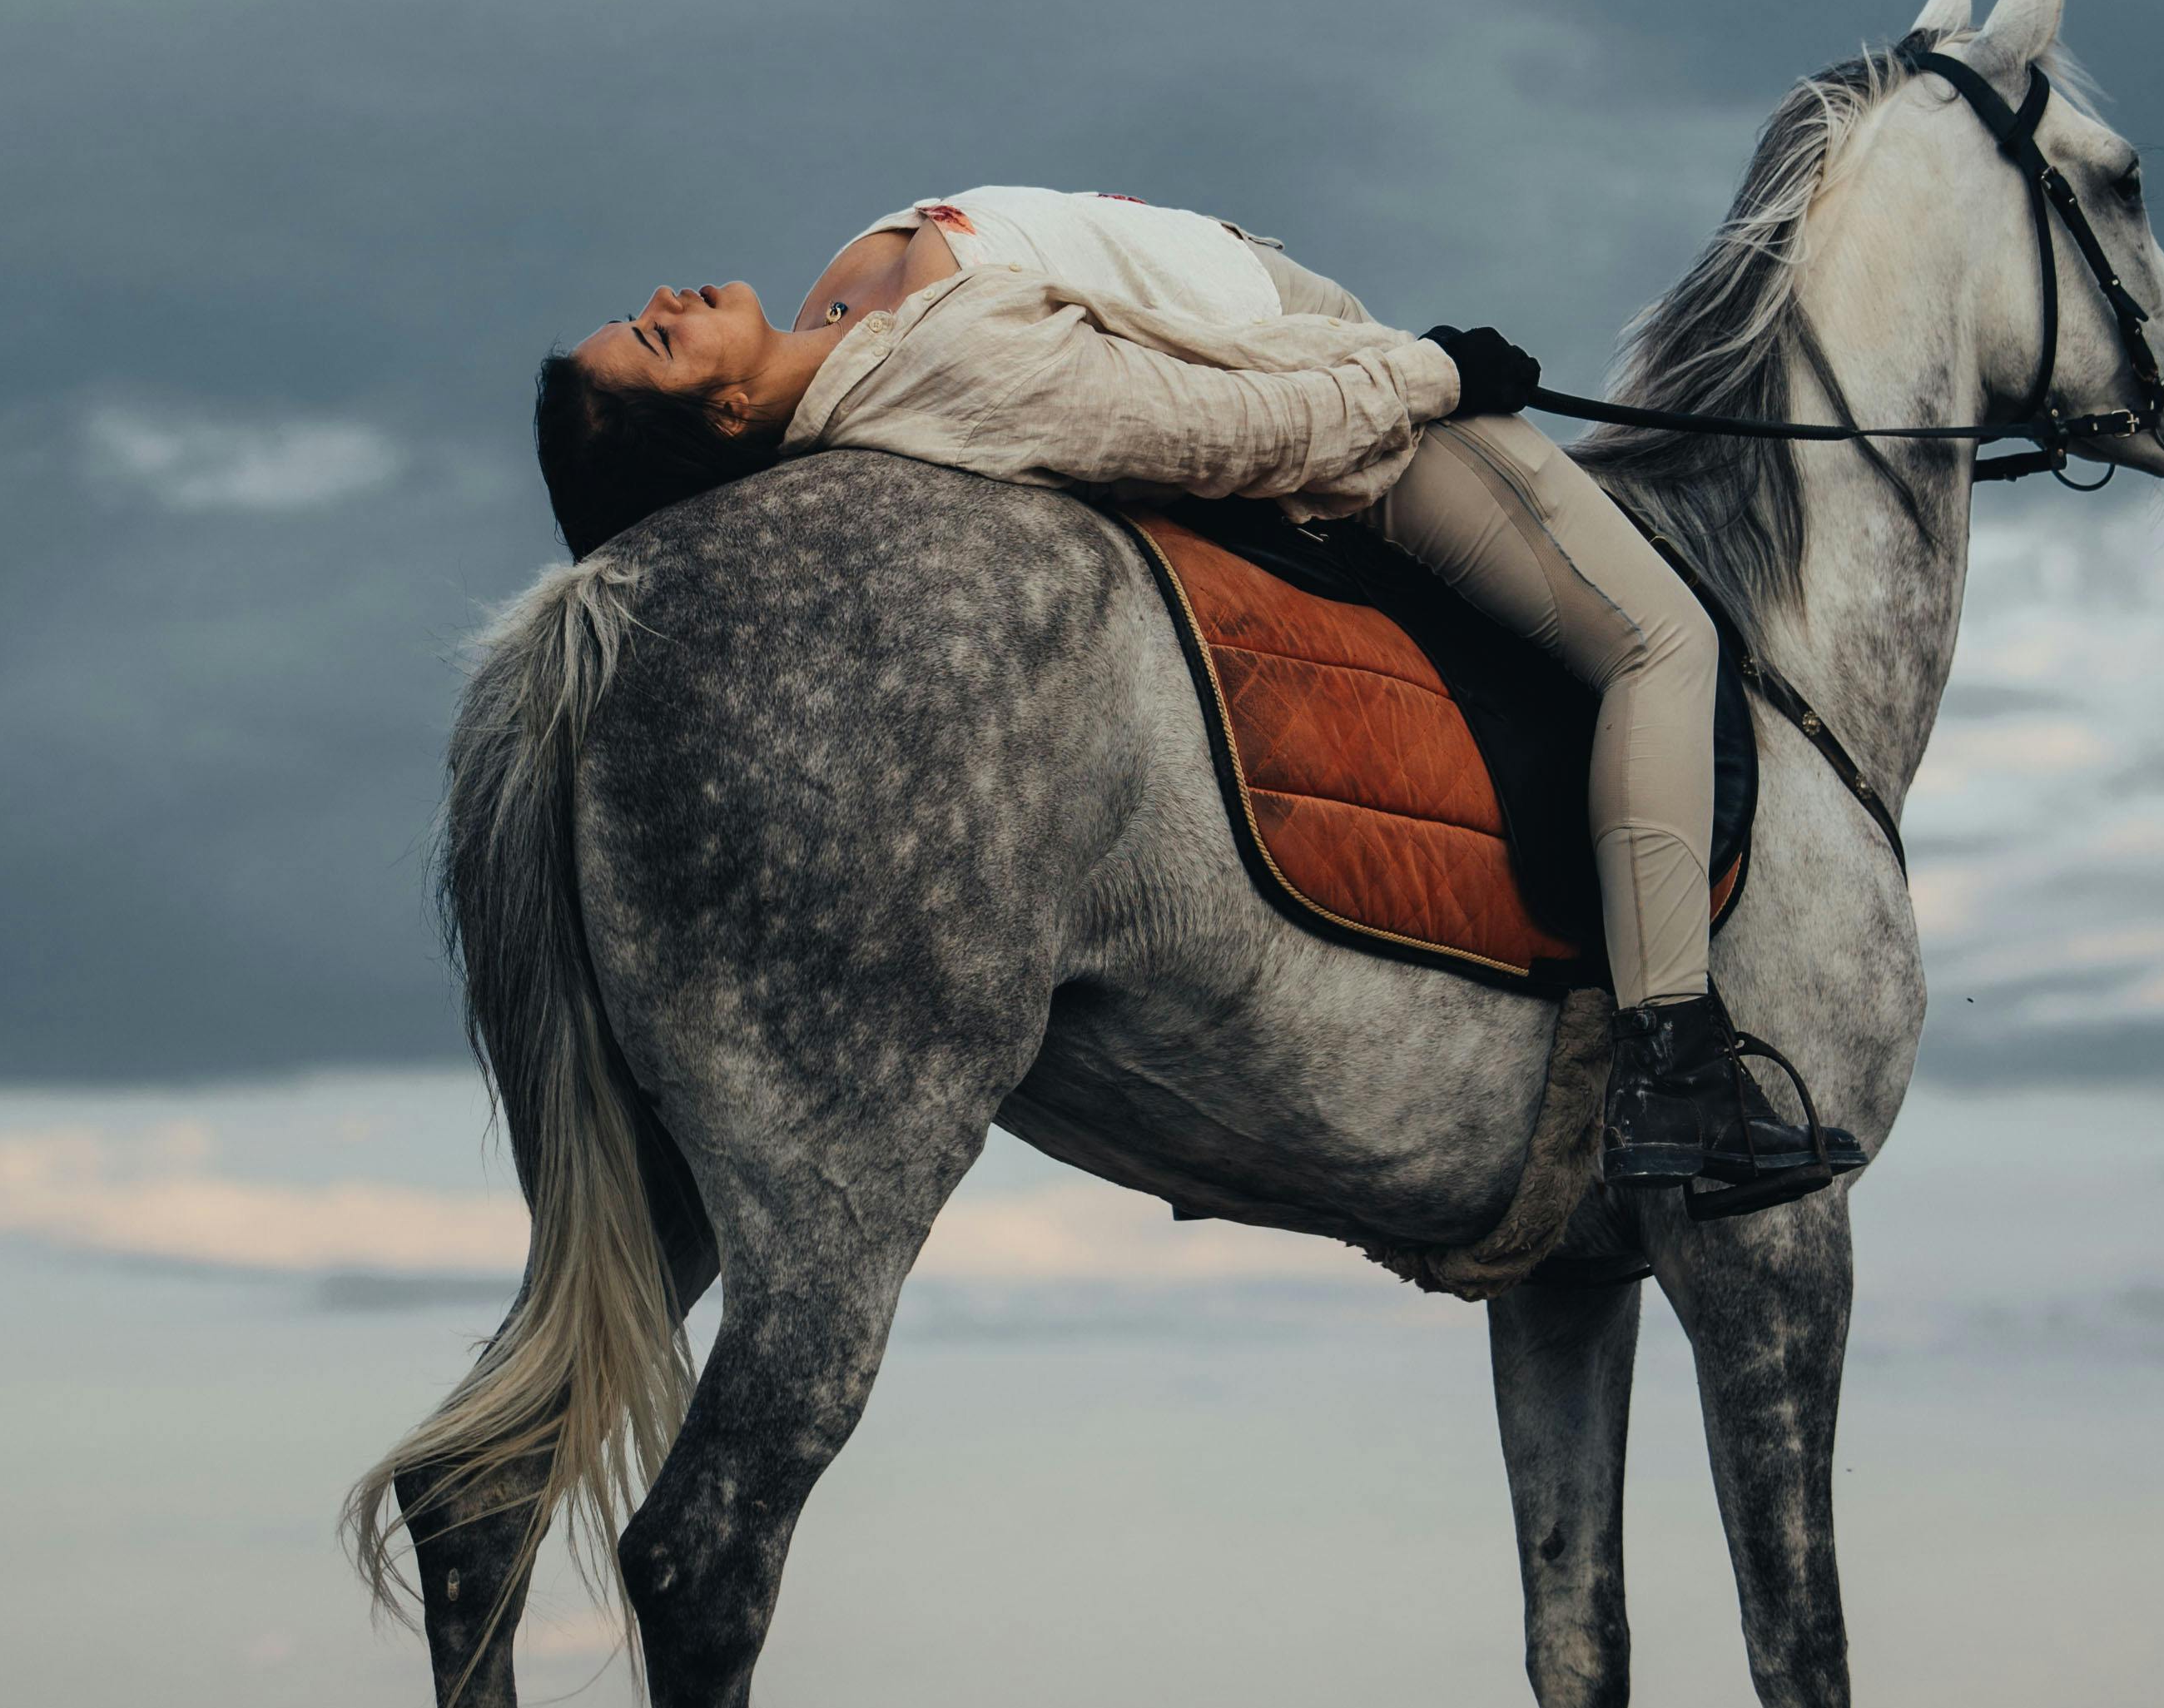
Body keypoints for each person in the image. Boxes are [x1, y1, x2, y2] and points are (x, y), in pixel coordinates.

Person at [532, 186, 1855, 1204]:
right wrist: (1437, 376)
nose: (668, 291)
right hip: (1351, 398)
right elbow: (1227, 432)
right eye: (659, 336)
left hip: (1336, 352)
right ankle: (1674, 1064)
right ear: (716, 424)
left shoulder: (839, 327)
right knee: (1662, 642)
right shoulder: (943, 379)